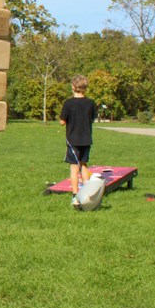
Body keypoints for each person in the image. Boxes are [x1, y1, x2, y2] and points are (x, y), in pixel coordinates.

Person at [59, 75, 97, 209]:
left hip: (72, 140)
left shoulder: (68, 103)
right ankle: (87, 194)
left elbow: (62, 122)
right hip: (86, 139)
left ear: (73, 87)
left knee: (74, 168)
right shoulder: (91, 103)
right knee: (84, 165)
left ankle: (75, 195)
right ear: (85, 88)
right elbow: (92, 118)